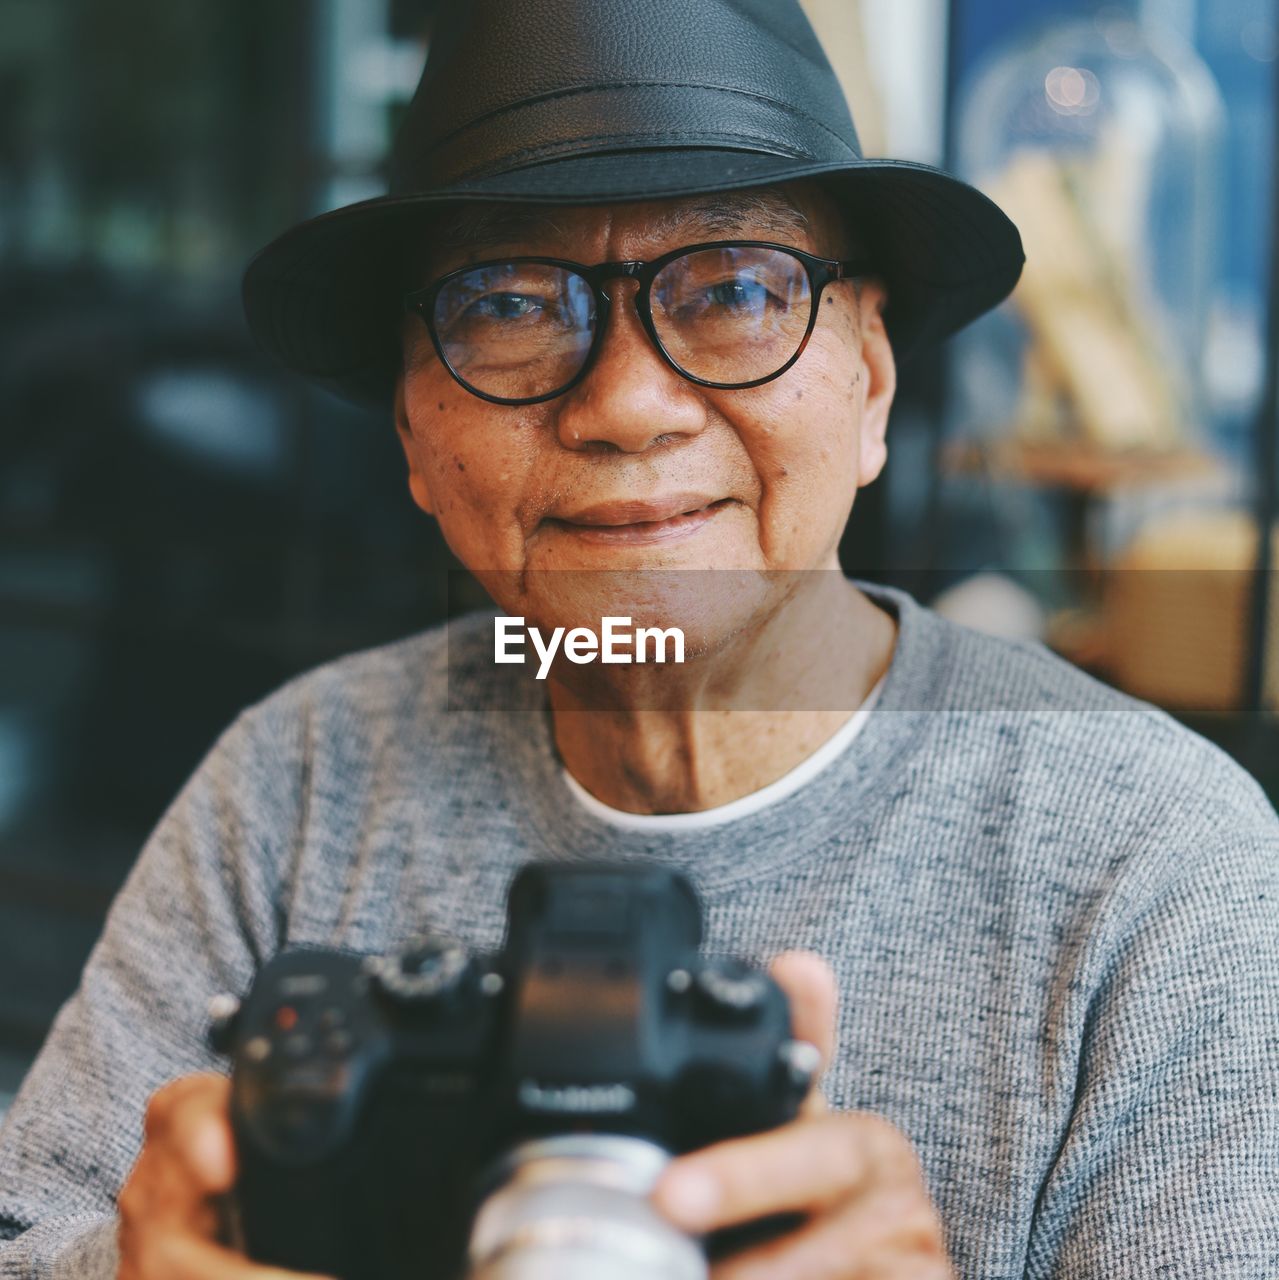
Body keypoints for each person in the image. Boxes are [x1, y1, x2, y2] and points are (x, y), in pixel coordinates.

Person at [3, 1, 1278, 1277]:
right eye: (506, 304)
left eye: (733, 287)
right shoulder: (298, 781)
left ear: (871, 382)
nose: (625, 403)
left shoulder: (1163, 875)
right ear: (410, 431)